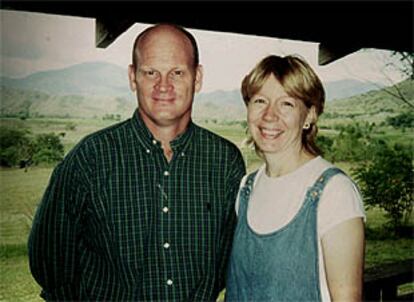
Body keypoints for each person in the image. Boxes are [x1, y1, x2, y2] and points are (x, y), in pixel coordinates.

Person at [28, 23, 246, 301]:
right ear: (133, 77)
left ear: (198, 77)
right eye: (150, 72)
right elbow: (51, 264)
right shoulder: (91, 157)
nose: (163, 85)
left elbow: (226, 263)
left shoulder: (224, 161)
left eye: (177, 73)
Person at [226, 55, 365, 301]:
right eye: (260, 101)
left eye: (286, 104)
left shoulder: (334, 192)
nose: (269, 115)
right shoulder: (247, 188)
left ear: (309, 115)